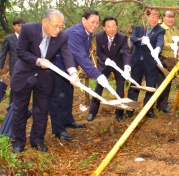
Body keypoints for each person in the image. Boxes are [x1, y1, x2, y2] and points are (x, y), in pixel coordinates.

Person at [10, 9, 79, 153]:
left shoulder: (62, 37)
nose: (58, 30)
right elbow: (21, 51)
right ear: (44, 22)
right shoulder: (28, 29)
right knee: (19, 110)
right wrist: (37, 60)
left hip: (45, 78)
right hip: (24, 75)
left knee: (41, 110)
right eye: (55, 26)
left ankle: (37, 140)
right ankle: (18, 142)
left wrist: (73, 72)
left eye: (61, 26)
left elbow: (66, 55)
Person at [49, 9, 112, 141]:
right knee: (57, 99)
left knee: (67, 95)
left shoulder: (88, 33)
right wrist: (98, 75)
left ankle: (67, 121)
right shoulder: (75, 33)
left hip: (69, 68)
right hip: (57, 67)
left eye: (97, 22)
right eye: (92, 22)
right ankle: (58, 130)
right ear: (83, 20)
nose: (95, 25)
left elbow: (82, 54)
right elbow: (81, 56)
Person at [87, 16, 131, 122]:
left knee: (120, 87)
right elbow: (99, 52)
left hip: (119, 64)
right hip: (105, 63)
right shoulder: (99, 36)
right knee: (99, 86)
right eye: (108, 27)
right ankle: (92, 112)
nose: (111, 29)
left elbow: (126, 52)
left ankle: (119, 113)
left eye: (113, 26)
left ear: (117, 26)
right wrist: (105, 59)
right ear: (104, 28)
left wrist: (127, 67)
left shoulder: (122, 37)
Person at [127, 9, 165, 118]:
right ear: (147, 17)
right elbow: (133, 39)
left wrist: (157, 49)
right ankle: (130, 109)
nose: (154, 19)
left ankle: (148, 110)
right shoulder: (139, 27)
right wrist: (140, 40)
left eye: (156, 17)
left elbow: (160, 41)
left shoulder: (160, 30)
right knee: (134, 85)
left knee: (150, 86)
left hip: (150, 62)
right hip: (137, 60)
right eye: (152, 16)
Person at [155, 10, 179, 113]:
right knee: (162, 82)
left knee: (169, 82)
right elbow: (160, 43)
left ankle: (162, 104)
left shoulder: (175, 29)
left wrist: (176, 42)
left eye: (172, 17)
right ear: (164, 18)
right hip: (162, 58)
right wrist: (170, 45)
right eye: (168, 17)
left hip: (172, 60)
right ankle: (161, 104)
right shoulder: (160, 29)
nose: (171, 19)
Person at [0, 18, 25, 104]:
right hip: (14, 66)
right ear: (14, 27)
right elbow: (3, 53)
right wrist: (1, 65)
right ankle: (12, 106)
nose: (21, 28)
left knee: (25, 87)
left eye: (22, 26)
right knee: (14, 86)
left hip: (26, 66)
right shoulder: (8, 38)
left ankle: (22, 106)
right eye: (19, 26)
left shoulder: (27, 37)